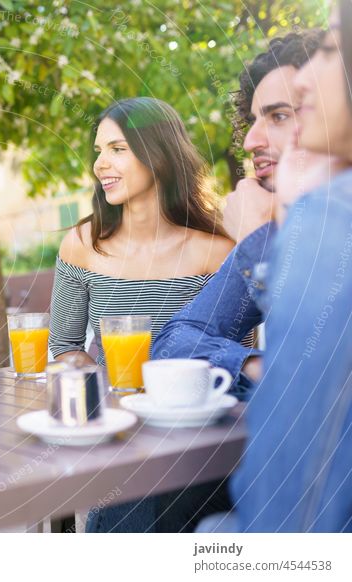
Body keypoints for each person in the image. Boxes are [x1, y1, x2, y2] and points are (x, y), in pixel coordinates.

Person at [202, 0, 352, 532]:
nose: (249, 141)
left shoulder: (327, 221)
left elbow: (286, 528)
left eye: (332, 48)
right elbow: (181, 334)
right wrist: (251, 365)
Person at [152, 30, 323, 398]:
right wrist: (255, 365)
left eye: (279, 116)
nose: (250, 141)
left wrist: (255, 240)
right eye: (253, 120)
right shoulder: (279, 230)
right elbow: (174, 341)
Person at [49, 97, 234, 368]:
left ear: (159, 155)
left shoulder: (216, 252)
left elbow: (234, 355)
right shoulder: (81, 245)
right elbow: (65, 346)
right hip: (113, 407)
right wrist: (110, 394)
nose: (99, 164)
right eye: (99, 150)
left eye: (117, 149)